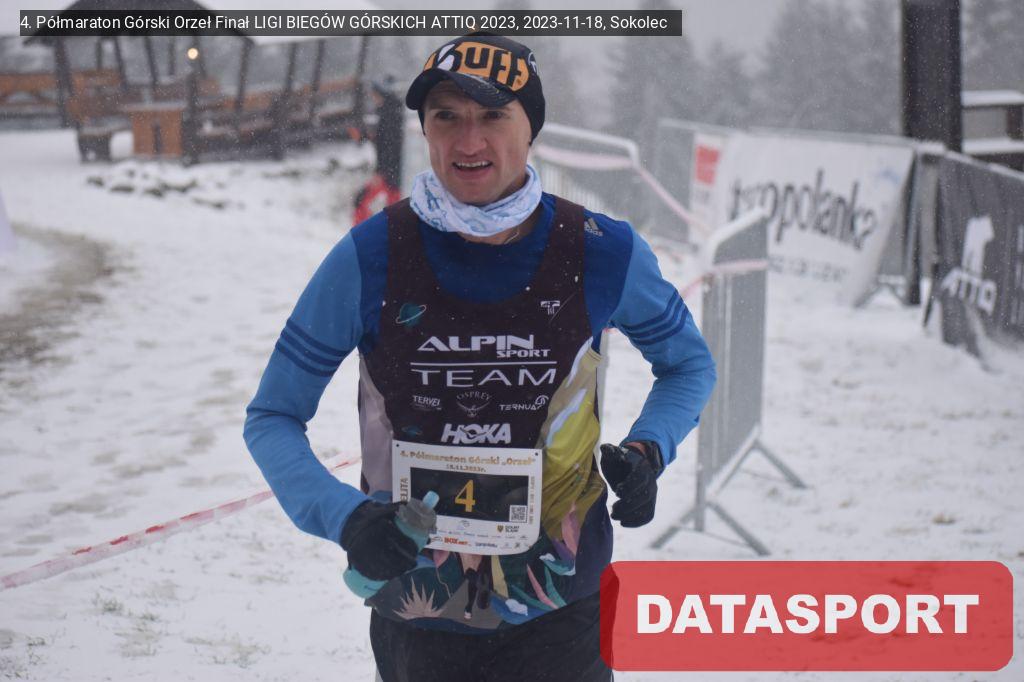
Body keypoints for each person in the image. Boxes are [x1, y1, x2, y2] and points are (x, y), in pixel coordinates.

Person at [244, 32, 716, 682]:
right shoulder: (370, 255)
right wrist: (347, 519)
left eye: (493, 115)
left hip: (562, 610)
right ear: (426, 130)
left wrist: (648, 450)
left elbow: (688, 365)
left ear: (531, 128)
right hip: (420, 612)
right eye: (447, 116)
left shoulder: (601, 250)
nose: (469, 142)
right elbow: (272, 416)